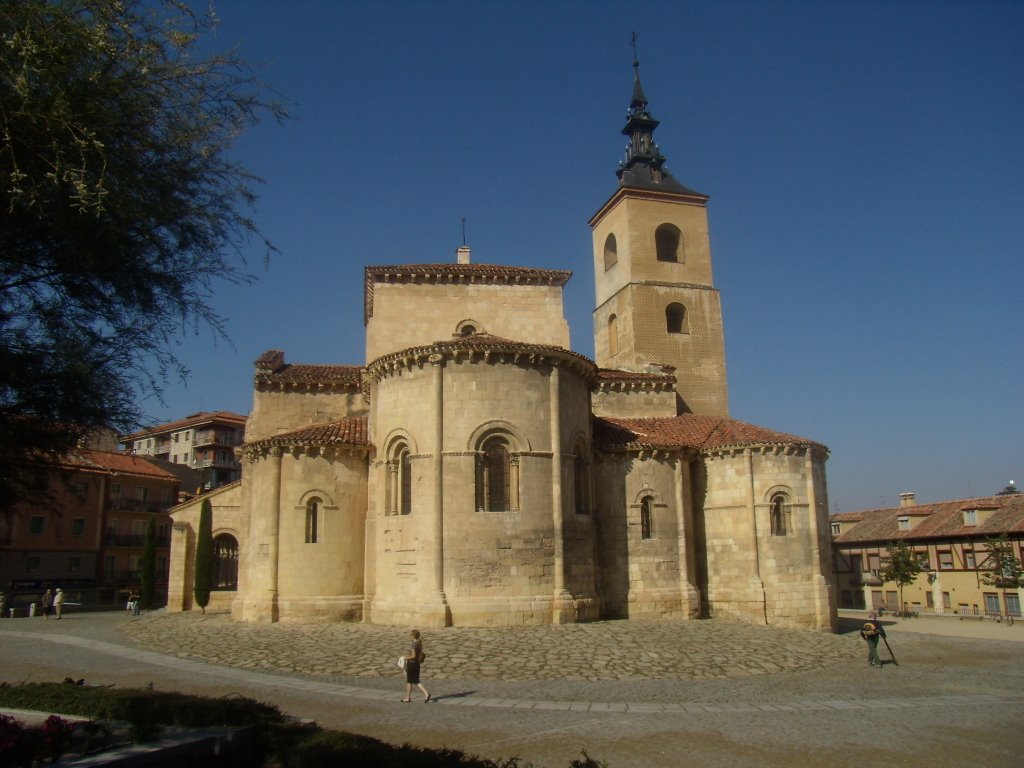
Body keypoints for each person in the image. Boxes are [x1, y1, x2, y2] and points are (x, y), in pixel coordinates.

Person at [402, 629, 431, 703]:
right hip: (417, 664)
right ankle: (424, 693)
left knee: (410, 681)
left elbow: (413, 656)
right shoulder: (419, 644)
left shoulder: (413, 645)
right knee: (415, 681)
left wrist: (405, 658)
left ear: (413, 636)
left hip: (411, 664)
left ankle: (410, 697)